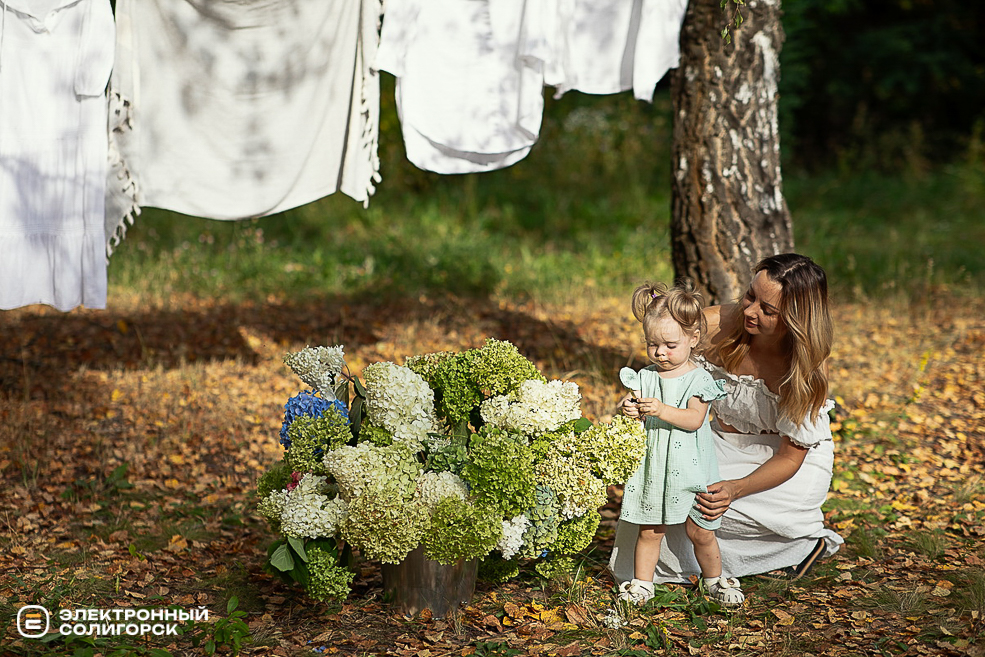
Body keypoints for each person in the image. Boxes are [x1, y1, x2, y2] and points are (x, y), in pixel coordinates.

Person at [609, 253, 844, 589]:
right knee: (664, 493)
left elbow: (791, 456)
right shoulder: (713, 324)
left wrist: (735, 489)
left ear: (795, 318)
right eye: (750, 296)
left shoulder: (801, 368)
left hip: (784, 462)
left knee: (708, 509)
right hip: (714, 441)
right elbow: (666, 363)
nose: (750, 311)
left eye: (768, 310)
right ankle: (684, 571)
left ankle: (802, 545)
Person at [615, 279, 745, 607]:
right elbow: (633, 410)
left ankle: (714, 580)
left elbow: (694, 420)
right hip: (656, 467)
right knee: (650, 530)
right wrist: (629, 408)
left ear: (693, 338)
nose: (660, 353)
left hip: (691, 468)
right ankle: (642, 584)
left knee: (700, 530)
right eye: (652, 345)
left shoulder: (698, 379)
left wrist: (660, 409)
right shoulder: (646, 376)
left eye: (670, 345)